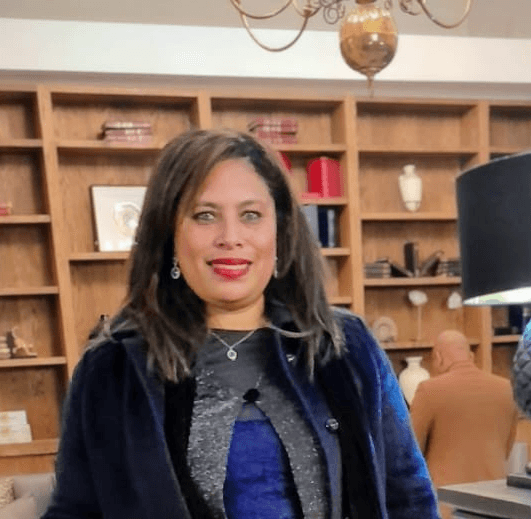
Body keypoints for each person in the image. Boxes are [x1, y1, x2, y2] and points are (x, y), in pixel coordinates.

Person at [43, 128, 439, 519]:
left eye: (251, 215)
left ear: (279, 231)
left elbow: (409, 497)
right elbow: (75, 511)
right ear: (169, 235)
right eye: (205, 215)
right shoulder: (113, 368)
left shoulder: (345, 346)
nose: (230, 237)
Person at [410, 329, 519, 515]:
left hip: (447, 506)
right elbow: (506, 449)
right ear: (471, 356)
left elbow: (410, 452)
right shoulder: (507, 389)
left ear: (438, 357)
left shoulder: (429, 390)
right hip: (496, 505)